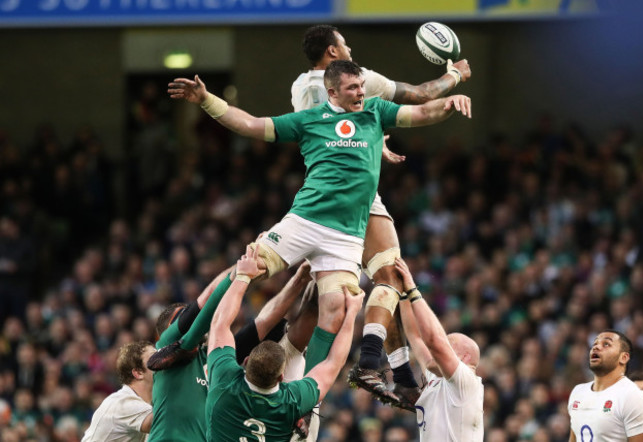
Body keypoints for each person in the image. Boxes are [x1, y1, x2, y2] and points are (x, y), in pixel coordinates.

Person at [166, 58, 470, 392]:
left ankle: (308, 399)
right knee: (249, 268)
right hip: (306, 221)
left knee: (336, 309)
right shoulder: (310, 120)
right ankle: (186, 341)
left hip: (346, 235)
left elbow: (423, 112)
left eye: (361, 86)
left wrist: (449, 104)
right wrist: (208, 100)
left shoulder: (375, 111)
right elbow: (251, 125)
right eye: (352, 88)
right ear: (332, 92)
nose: (360, 92)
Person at [291, 24, 472, 409]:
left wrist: (374, 144)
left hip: (319, 201)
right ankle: (363, 368)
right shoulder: (357, 81)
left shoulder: (300, 88)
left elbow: (334, 129)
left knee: (352, 289)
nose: (350, 46)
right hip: (351, 196)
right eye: (344, 43)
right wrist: (456, 74)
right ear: (332, 54)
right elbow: (422, 95)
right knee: (384, 278)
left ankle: (399, 376)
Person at [205, 245, 364, 441]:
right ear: (282, 377)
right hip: (293, 427)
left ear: (245, 361)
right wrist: (243, 276)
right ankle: (335, 254)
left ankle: (328, 257)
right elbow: (219, 323)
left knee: (307, 321)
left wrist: (351, 314)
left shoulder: (224, 380)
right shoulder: (291, 401)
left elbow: (220, 323)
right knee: (310, 317)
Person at [148, 262, 312, 442]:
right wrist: (242, 267)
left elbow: (265, 321)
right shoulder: (166, 352)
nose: (196, 319)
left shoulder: (220, 357)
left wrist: (299, 280)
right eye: (185, 318)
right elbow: (208, 298)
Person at [394, 257, 484, 441]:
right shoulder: (438, 378)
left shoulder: (466, 381)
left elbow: (434, 341)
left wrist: (412, 289)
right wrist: (402, 293)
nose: (439, 350)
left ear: (465, 358)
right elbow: (415, 336)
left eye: (449, 346)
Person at [568, 330, 643, 442]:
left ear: (624, 358)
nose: (596, 347)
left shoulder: (633, 397)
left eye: (606, 344)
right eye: (595, 344)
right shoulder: (578, 392)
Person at [81, 341, 155, 442]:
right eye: (153, 357)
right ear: (138, 372)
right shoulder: (122, 402)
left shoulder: (144, 406)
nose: (161, 361)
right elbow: (160, 423)